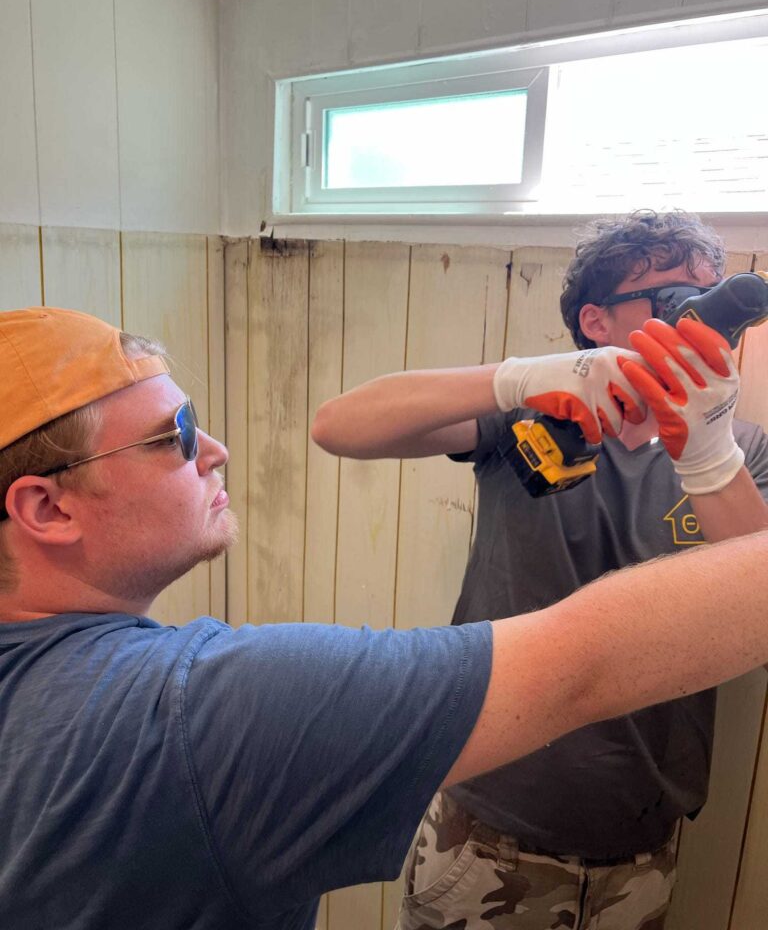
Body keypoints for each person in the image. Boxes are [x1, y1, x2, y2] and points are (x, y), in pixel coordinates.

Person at [0, 307, 764, 930]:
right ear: (46, 508)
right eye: (178, 433)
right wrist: (703, 455)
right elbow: (585, 664)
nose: (217, 450)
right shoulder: (206, 716)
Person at [311, 210, 768, 930]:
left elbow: (761, 614)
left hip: (641, 846)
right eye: (675, 299)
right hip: (488, 835)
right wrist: (518, 379)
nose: (701, 322)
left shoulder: (742, 452)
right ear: (596, 321)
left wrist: (709, 455)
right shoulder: (537, 417)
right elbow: (337, 426)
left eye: (711, 300)